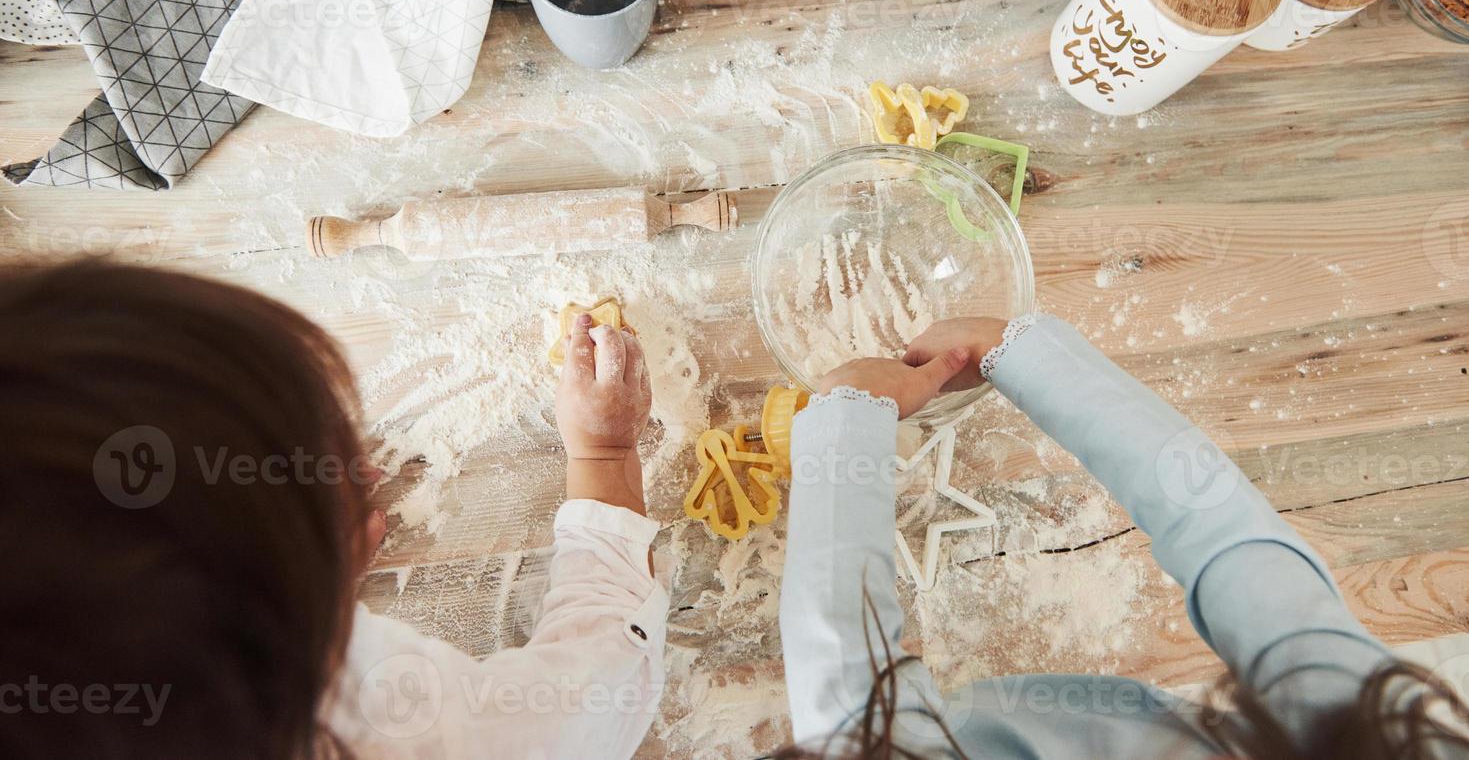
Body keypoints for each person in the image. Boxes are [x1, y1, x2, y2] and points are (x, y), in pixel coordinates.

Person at [0, 260, 664, 759]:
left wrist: (304, 545)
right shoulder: (372, 720)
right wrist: (605, 453)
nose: (357, 469)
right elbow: (583, 706)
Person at [777, 313, 1469, 759]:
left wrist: (848, 419)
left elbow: (846, 691)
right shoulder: (1350, 730)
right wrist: (1019, 355)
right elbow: (1231, 543)